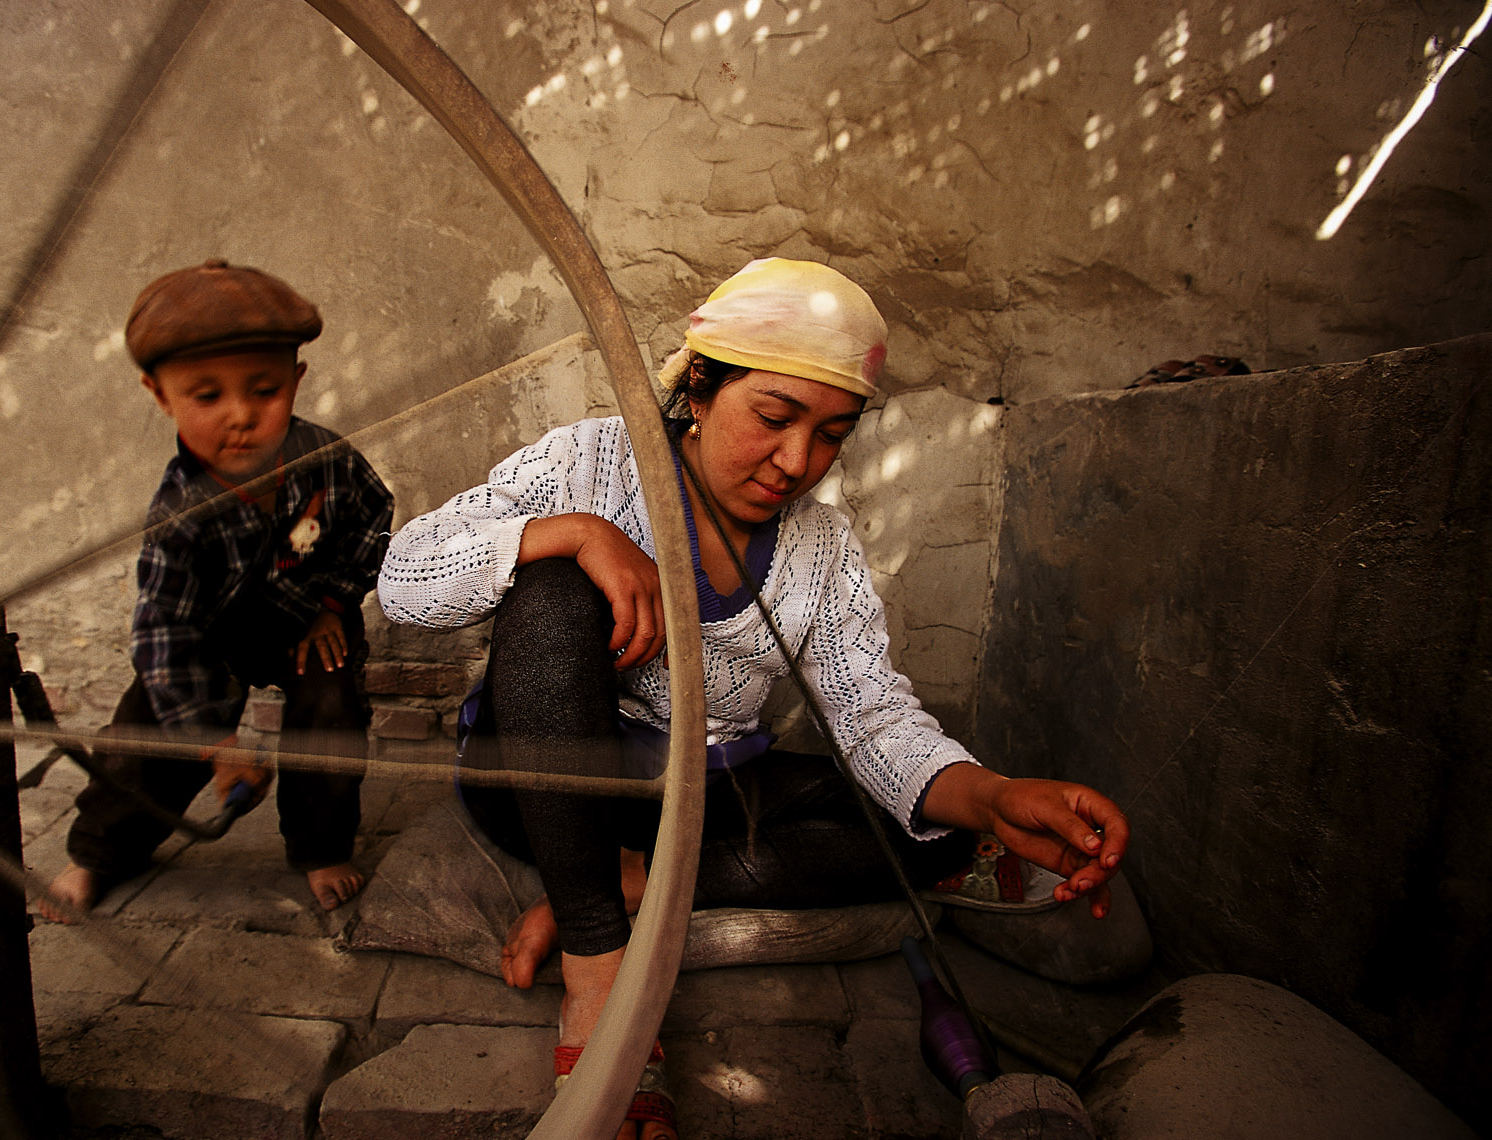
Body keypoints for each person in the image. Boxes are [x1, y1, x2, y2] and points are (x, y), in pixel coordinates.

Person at [376, 258, 1130, 1140]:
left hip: (692, 797)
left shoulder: (820, 550)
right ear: (700, 386)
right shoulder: (589, 461)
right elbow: (405, 580)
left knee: (925, 833)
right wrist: (576, 535)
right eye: (773, 418)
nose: (796, 461)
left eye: (831, 434)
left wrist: (995, 795)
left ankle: (641, 880)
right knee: (549, 592)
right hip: (544, 784)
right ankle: (597, 963)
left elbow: (871, 715)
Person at [39, 260, 393, 922]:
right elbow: (164, 633)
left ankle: (321, 849)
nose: (240, 417)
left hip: (303, 625)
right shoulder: (179, 513)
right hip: (210, 640)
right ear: (158, 394)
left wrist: (334, 606)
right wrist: (213, 742)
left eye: (263, 390)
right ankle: (96, 854)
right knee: (145, 734)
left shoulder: (328, 458)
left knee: (331, 709)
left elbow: (375, 520)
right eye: (207, 397)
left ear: (297, 380)